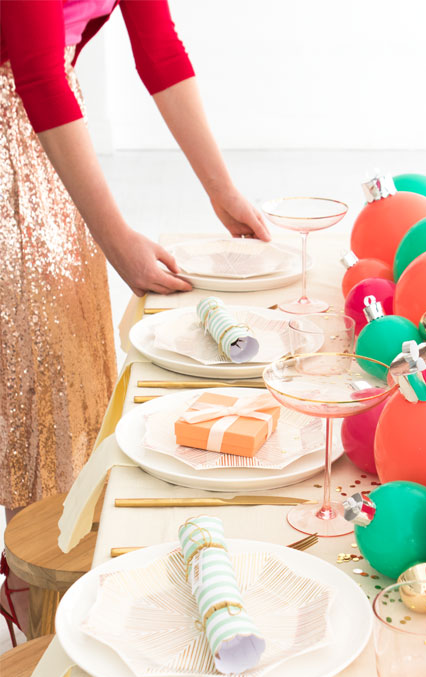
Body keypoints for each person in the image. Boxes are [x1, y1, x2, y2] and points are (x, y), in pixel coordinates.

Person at [0, 0, 270, 641]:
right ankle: (37, 606)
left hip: (40, 150)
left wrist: (221, 189)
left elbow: (159, 48)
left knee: (74, 365)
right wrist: (116, 238)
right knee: (31, 370)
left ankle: (57, 586)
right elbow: (37, 71)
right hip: (24, 132)